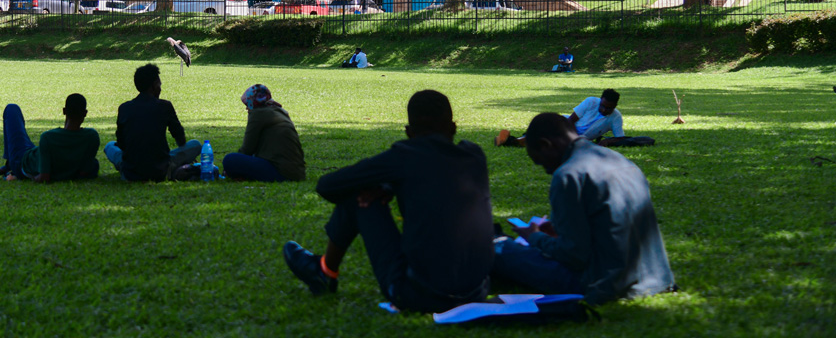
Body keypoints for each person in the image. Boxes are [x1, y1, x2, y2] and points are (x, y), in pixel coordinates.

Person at [282, 90, 493, 313]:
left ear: (409, 132)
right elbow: (437, 173)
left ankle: (324, 272)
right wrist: (388, 186)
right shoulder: (475, 155)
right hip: (477, 292)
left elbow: (327, 186)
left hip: (418, 295)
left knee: (357, 193)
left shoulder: (405, 156)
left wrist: (379, 186)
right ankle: (324, 271)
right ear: (453, 128)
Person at [493, 112, 675, 305]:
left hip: (602, 282)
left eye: (540, 161)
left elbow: (573, 256)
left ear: (546, 145)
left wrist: (535, 237)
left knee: (498, 246)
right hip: (655, 278)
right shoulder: (620, 160)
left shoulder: (568, 174)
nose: (546, 170)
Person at [0, 94, 100, 183]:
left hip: (23, 161)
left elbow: (44, 177)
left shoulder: (49, 137)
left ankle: (10, 169)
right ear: (85, 113)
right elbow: (83, 173)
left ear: (64, 111)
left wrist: (21, 176)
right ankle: (1, 170)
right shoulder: (92, 137)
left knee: (12, 109)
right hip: (36, 155)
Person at [104, 64, 201, 181]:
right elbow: (181, 139)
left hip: (130, 171)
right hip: (160, 169)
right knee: (195, 144)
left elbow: (121, 143)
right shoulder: (165, 106)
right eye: (159, 84)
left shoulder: (124, 108)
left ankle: (126, 168)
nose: (160, 88)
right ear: (154, 85)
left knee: (110, 146)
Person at [222, 84, 306, 182]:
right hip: (298, 173)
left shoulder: (258, 114)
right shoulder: (279, 111)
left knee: (230, 160)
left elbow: (247, 149)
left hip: (281, 173)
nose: (247, 109)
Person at [495, 88, 624, 147]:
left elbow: (620, 137)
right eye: (603, 106)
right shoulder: (591, 102)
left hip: (582, 140)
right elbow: (571, 120)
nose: (604, 110)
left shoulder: (616, 117)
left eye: (609, 108)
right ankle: (516, 140)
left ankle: (513, 140)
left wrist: (608, 141)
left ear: (615, 106)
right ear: (600, 100)